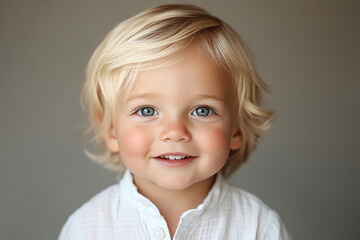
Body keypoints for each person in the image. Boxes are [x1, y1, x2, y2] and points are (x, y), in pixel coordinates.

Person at [59, 4, 291, 239]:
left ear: (237, 130)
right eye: (147, 111)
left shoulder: (259, 226)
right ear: (111, 132)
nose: (174, 132)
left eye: (202, 110)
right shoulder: (88, 228)